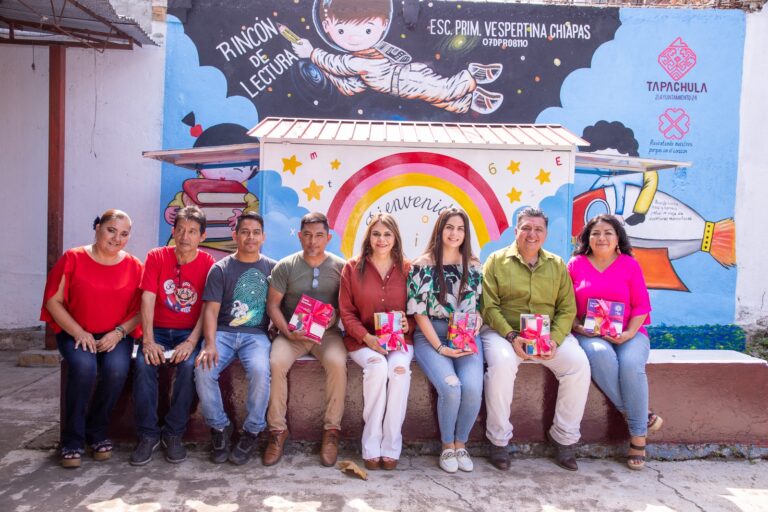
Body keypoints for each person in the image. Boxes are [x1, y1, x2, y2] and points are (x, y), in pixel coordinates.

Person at [481, 207, 590, 471]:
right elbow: (488, 306)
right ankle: (498, 441)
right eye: (526, 228)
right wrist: (511, 335)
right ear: (516, 231)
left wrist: (553, 339)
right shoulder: (495, 260)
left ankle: (563, 438)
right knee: (502, 365)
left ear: (546, 233)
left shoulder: (556, 264)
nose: (532, 234)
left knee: (578, 365)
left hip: (547, 335)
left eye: (538, 229)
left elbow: (567, 309)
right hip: (503, 332)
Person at [41, 209, 142, 468]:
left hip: (116, 335)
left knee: (117, 369)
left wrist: (119, 332)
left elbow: (142, 310)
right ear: (97, 227)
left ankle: (97, 432)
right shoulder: (73, 258)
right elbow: (54, 301)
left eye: (124, 234)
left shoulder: (134, 265)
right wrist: (78, 331)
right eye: (111, 230)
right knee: (84, 367)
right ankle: (72, 439)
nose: (116, 238)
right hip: (76, 331)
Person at [290, 0, 504, 114]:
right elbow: (349, 87)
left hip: (405, 81)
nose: (354, 39)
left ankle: (471, 74)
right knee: (442, 101)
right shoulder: (368, 54)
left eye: (366, 30)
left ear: (383, 24)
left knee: (445, 89)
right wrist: (320, 71)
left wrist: (311, 53)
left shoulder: (357, 61)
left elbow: (337, 64)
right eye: (343, 31)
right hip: (409, 78)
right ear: (327, 27)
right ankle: (472, 100)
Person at [567, 214, 662, 470]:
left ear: (618, 237)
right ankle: (639, 416)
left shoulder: (629, 264)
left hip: (630, 332)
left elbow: (642, 305)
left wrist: (629, 334)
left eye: (608, 232)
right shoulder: (576, 264)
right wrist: (577, 327)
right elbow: (566, 305)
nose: (602, 238)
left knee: (631, 365)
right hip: (590, 335)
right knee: (599, 355)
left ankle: (638, 438)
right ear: (587, 238)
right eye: (596, 233)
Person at [131, 206, 215, 466]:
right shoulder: (156, 256)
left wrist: (191, 342)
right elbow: (148, 297)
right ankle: (147, 434)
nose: (185, 236)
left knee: (191, 365)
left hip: (188, 333)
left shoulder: (209, 264)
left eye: (192, 231)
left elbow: (206, 307)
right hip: (156, 331)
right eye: (180, 230)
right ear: (173, 231)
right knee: (143, 364)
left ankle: (174, 432)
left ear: (202, 236)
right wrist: (148, 339)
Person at [264, 212, 347, 467]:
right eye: (308, 236)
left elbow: (348, 306)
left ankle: (331, 432)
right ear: (299, 236)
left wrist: (333, 317)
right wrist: (287, 332)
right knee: (276, 363)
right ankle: (277, 431)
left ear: (328, 238)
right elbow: (273, 306)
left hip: (328, 335)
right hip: (292, 334)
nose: (313, 242)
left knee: (337, 363)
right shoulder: (285, 266)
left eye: (319, 236)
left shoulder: (340, 267)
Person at [194, 212, 276, 465]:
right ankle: (219, 428)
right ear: (235, 236)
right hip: (223, 333)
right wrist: (208, 344)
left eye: (255, 232)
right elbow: (211, 310)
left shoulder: (273, 269)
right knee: (204, 370)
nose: (250, 237)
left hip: (256, 336)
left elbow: (281, 306)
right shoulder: (220, 269)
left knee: (262, 371)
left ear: (263, 237)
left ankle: (252, 430)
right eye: (244, 232)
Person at [407, 208, 484, 474]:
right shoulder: (423, 264)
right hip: (432, 336)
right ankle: (447, 445)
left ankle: (461, 443)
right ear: (440, 231)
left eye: (460, 229)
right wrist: (441, 347)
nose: (454, 233)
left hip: (465, 334)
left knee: (473, 388)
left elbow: (479, 307)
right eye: (449, 227)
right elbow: (418, 312)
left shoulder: (473, 264)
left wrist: (474, 328)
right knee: (452, 387)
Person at [338, 213, 414, 471]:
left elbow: (417, 311)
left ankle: (391, 446)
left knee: (399, 371)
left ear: (396, 238)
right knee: (378, 368)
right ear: (369, 237)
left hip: (399, 342)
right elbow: (346, 312)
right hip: (362, 341)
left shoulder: (407, 269)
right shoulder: (352, 267)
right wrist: (367, 337)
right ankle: (371, 445)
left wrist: (408, 324)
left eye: (387, 234)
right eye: (376, 234)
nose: (382, 239)